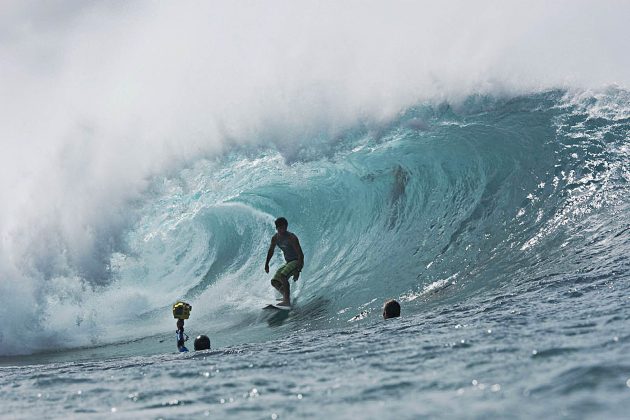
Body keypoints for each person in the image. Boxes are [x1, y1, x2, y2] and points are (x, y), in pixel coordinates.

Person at [264, 217, 304, 307]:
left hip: (296, 261)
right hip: (289, 262)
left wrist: (298, 270)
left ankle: (286, 301)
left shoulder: (291, 237)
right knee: (274, 281)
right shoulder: (275, 238)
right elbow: (271, 251)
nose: (283, 230)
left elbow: (300, 255)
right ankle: (286, 296)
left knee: (283, 276)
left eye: (284, 227)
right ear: (277, 228)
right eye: (281, 228)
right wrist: (266, 264)